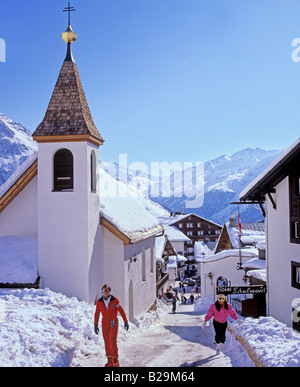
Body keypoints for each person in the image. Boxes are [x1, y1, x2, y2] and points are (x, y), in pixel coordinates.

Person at [94, 284, 129, 367]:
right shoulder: (99, 302)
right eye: (103, 291)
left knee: (112, 341)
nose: (105, 292)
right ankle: (109, 361)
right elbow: (97, 314)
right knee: (106, 342)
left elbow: (121, 310)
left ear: (109, 291)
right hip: (105, 324)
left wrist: (125, 321)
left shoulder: (114, 300)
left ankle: (115, 361)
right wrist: (95, 324)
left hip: (113, 323)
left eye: (106, 290)